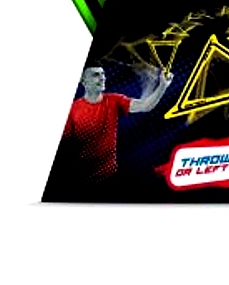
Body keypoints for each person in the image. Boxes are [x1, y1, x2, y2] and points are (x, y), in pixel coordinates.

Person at [46, 64, 173, 202]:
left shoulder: (114, 100)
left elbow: (145, 106)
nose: (102, 78)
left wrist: (162, 86)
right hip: (79, 182)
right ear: (83, 81)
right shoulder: (72, 109)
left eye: (103, 74)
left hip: (111, 179)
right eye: (96, 75)